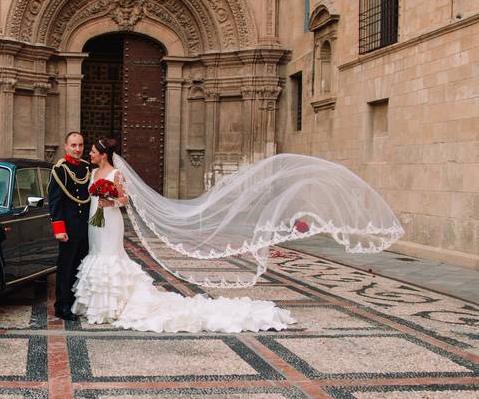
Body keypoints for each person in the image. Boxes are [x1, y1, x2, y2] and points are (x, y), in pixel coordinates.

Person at [71, 139, 295, 332]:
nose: (88, 153)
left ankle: (113, 305)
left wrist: (110, 200)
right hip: (95, 220)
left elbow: (124, 200)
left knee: (111, 256)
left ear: (103, 155)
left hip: (110, 221)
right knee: (97, 252)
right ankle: (95, 304)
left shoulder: (115, 173)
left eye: (91, 151)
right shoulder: (93, 173)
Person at [47, 132, 91, 321]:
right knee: (66, 266)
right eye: (73, 145)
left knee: (81, 265)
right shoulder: (60, 169)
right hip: (69, 227)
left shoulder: (87, 168)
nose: (77, 149)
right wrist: (59, 229)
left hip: (85, 226)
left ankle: (75, 302)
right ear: (65, 146)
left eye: (80, 145)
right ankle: (62, 305)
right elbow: (55, 202)